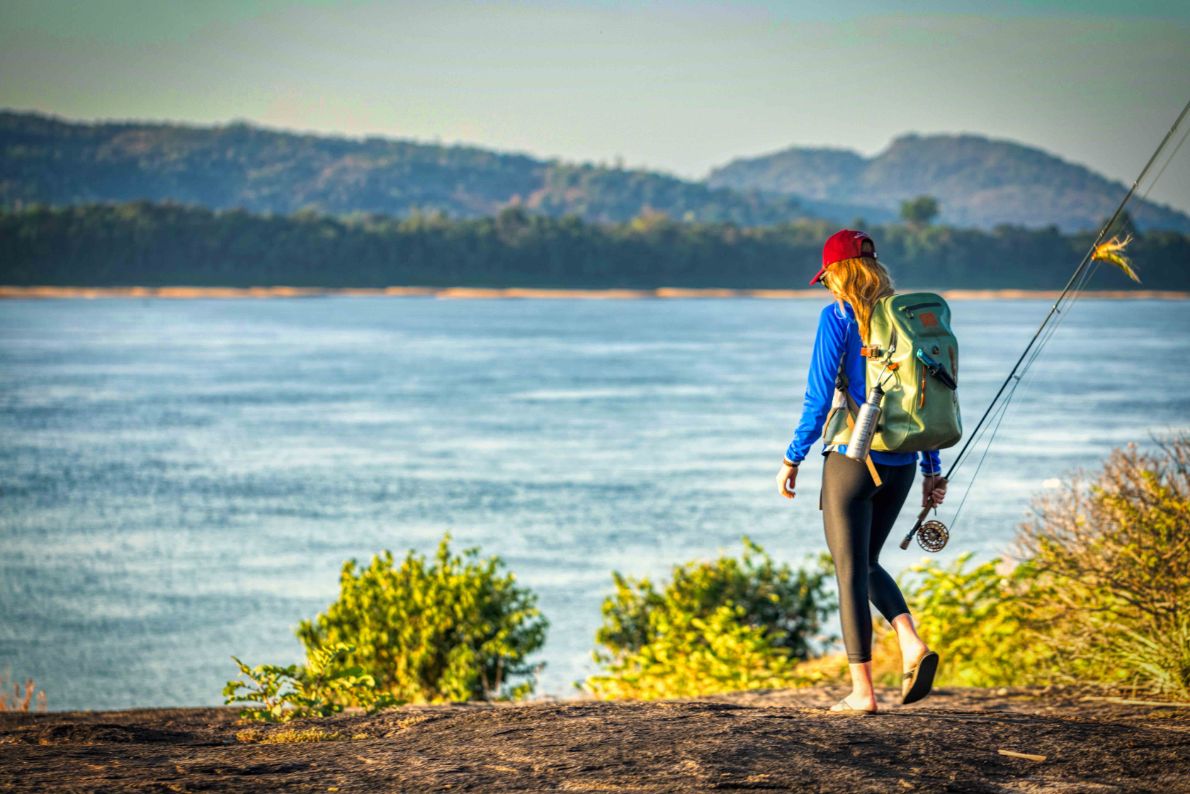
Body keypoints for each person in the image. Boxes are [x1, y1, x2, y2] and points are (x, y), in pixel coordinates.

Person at [775, 229, 948, 714]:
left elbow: (816, 399)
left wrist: (792, 457)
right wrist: (932, 469)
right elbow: (926, 398)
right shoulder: (908, 320)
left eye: (828, 278)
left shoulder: (838, 318)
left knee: (849, 571)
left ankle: (863, 692)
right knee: (868, 564)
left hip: (852, 461)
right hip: (905, 463)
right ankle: (911, 642)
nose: (827, 288)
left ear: (837, 274)